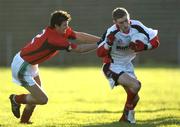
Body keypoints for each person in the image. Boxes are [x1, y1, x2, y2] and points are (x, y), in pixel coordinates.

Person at [9, 10, 100, 124]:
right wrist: (100, 45)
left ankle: (24, 122)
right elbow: (79, 49)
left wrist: (101, 40)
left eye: (67, 25)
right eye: (64, 25)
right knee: (42, 99)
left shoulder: (58, 31)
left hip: (31, 63)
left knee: (36, 96)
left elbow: (79, 36)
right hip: (22, 65)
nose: (67, 28)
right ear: (56, 26)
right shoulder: (54, 39)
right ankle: (15, 99)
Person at [97, 7, 159, 124]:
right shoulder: (111, 32)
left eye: (127, 20)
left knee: (135, 98)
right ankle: (128, 112)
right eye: (121, 22)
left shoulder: (136, 25)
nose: (126, 25)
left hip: (127, 65)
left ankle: (124, 119)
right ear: (115, 22)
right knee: (136, 85)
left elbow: (155, 41)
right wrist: (108, 44)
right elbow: (99, 53)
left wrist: (145, 46)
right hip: (112, 65)